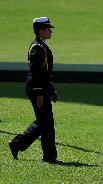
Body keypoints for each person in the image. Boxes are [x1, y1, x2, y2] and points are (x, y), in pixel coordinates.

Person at [8, 17, 62, 164]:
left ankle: (21, 145)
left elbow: (45, 74)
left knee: (45, 122)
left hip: (42, 88)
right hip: (37, 89)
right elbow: (36, 72)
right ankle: (46, 155)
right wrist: (39, 93)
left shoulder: (41, 45)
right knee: (46, 122)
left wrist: (51, 90)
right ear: (41, 30)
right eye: (48, 28)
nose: (50, 31)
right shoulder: (38, 47)